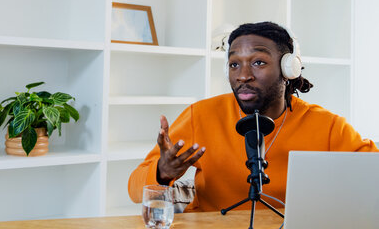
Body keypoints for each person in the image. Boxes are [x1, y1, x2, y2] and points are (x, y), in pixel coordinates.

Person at [128, 21, 378, 212]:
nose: (242, 75)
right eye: (234, 64)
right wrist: (163, 171)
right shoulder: (201, 116)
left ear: (288, 68)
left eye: (258, 62)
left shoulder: (327, 126)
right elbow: (135, 189)